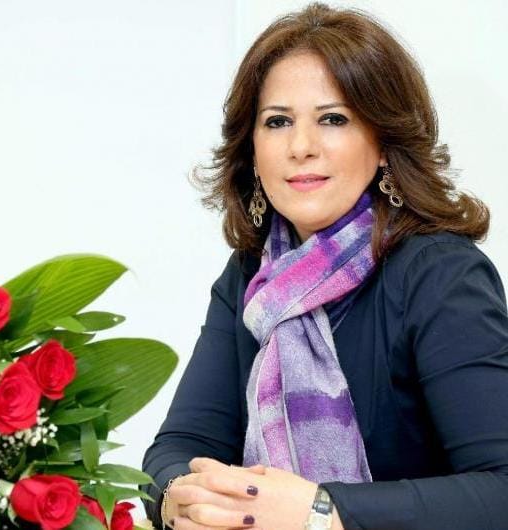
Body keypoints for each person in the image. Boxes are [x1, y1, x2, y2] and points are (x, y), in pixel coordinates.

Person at [140, 3, 508, 530]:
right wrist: (179, 497)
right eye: (278, 122)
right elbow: (179, 446)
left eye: (333, 119)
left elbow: (501, 490)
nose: (301, 147)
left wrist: (322, 511)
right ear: (252, 148)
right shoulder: (249, 277)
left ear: (383, 144)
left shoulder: (441, 275)